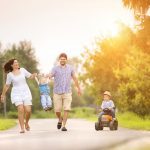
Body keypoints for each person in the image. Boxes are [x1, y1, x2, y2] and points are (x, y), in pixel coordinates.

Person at [0, 59, 37, 133]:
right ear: (12, 65)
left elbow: (30, 77)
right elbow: (7, 85)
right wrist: (2, 95)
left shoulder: (23, 70)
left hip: (26, 92)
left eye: (17, 62)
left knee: (28, 110)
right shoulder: (9, 75)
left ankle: (26, 123)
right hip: (16, 93)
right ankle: (22, 128)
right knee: (20, 109)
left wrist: (34, 75)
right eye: (15, 62)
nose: (17, 63)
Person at [48, 53, 81, 131]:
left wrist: (79, 88)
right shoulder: (55, 68)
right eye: (61, 59)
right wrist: (49, 76)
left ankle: (64, 126)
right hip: (57, 92)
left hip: (67, 92)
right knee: (57, 110)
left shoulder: (70, 68)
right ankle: (60, 119)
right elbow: (51, 74)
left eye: (64, 59)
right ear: (59, 60)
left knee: (66, 109)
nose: (62, 60)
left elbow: (75, 78)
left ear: (66, 60)